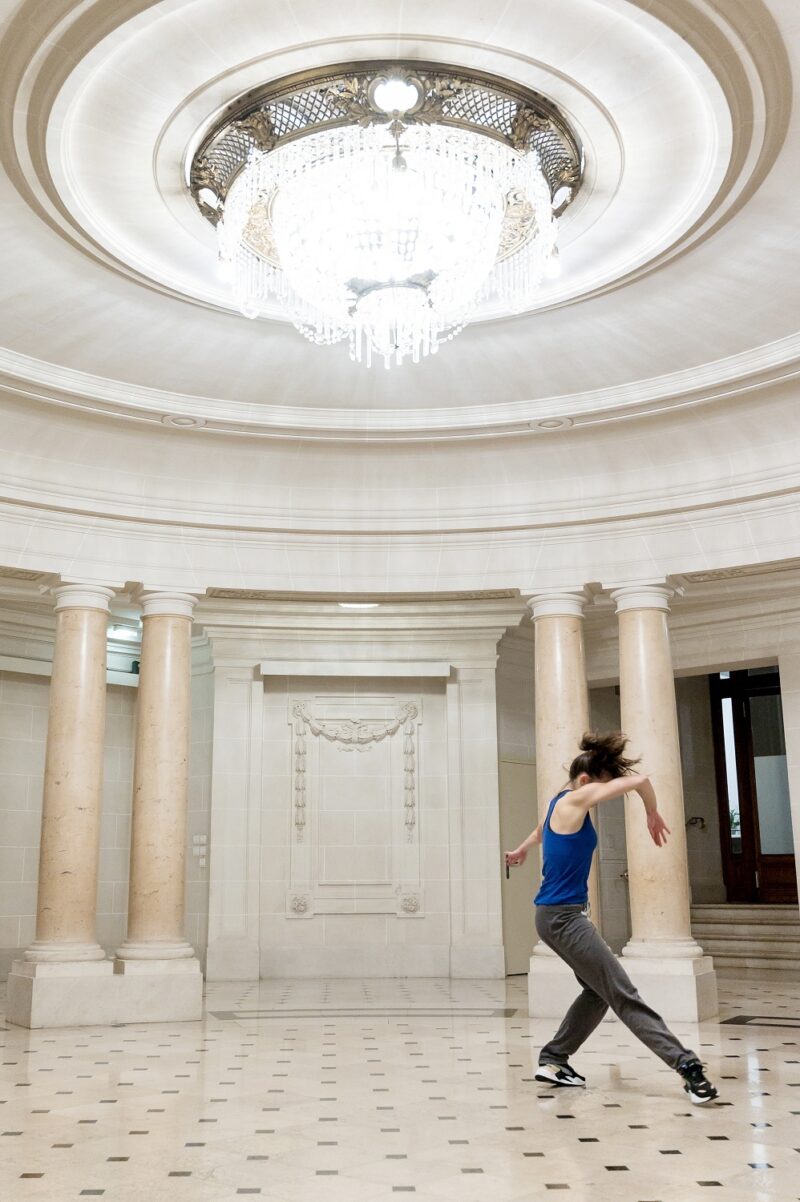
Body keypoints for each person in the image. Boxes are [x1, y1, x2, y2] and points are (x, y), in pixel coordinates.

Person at [506, 731, 718, 1105]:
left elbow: (541, 831)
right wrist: (651, 811)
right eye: (600, 788)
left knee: (597, 991)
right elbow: (640, 781)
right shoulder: (576, 796)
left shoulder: (560, 803)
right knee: (622, 993)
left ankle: (554, 1059)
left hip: (556, 916)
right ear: (587, 781)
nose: (601, 797)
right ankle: (687, 1067)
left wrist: (522, 849)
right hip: (563, 919)